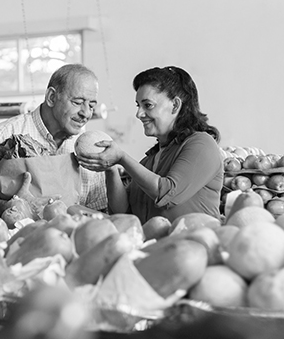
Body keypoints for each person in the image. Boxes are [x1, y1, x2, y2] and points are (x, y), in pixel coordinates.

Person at [77, 66, 223, 224]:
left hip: (196, 244)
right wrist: (111, 168)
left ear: (175, 105)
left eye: (148, 105)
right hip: (155, 247)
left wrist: (122, 158)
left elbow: (166, 193)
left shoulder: (201, 144)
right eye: (138, 106)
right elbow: (123, 213)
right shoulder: (149, 161)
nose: (139, 114)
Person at [0, 63, 108, 217]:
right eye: (77, 103)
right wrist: (8, 206)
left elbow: (99, 208)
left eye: (91, 106)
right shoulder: (3, 134)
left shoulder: (91, 146)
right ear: (51, 97)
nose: (86, 113)